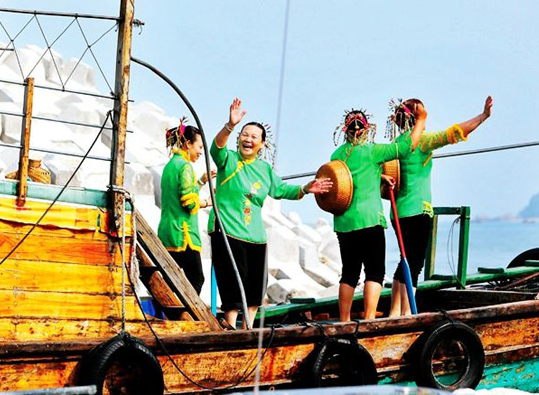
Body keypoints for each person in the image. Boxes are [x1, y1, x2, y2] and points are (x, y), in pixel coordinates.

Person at [208, 98, 332, 329]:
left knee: (256, 285)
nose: (248, 139)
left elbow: (281, 190)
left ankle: (248, 327)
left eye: (254, 137)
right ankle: (231, 327)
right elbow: (217, 148)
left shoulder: (265, 169)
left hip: (255, 235)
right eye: (245, 134)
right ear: (238, 138)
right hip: (227, 228)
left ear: (262, 144)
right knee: (231, 281)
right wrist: (230, 125)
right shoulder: (228, 159)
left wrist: (306, 188)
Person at [388, 96, 493, 317]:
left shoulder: (396, 144)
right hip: (418, 210)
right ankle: (407, 313)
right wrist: (483, 117)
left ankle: (394, 311)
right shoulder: (422, 141)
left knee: (405, 259)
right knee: (416, 262)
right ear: (418, 117)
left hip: (398, 212)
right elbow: (454, 133)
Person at [331, 106, 426, 322]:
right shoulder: (373, 151)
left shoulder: (337, 155)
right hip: (369, 220)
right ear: (367, 129)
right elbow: (406, 148)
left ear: (345, 130)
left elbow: (347, 179)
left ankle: (344, 321)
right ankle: (369, 318)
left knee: (349, 272)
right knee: (374, 271)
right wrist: (421, 120)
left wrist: (378, 176)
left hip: (344, 223)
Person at [157, 121, 211, 295]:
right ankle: (186, 312)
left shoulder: (171, 165)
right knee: (196, 279)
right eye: (200, 147)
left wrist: (201, 181)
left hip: (168, 232)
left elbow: (178, 192)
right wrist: (207, 202)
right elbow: (189, 202)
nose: (201, 152)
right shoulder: (186, 167)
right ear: (188, 143)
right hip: (183, 234)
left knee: (172, 281)